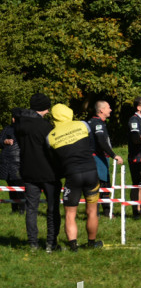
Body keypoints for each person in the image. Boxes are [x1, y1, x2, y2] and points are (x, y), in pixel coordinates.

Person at [48, 103, 103, 250]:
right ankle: (92, 243)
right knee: (92, 211)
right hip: (91, 171)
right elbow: (92, 146)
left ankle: (73, 246)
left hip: (72, 175)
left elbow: (54, 161)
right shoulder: (83, 125)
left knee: (70, 214)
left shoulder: (50, 137)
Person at [14, 93, 61, 251]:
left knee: (31, 209)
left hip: (28, 171)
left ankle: (32, 243)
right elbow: (53, 150)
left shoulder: (20, 126)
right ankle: (51, 243)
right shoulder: (46, 127)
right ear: (44, 108)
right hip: (48, 172)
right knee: (52, 209)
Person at [87, 100, 122, 209]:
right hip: (97, 158)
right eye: (108, 107)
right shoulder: (97, 123)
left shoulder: (93, 122)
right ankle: (104, 212)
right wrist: (114, 155)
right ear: (102, 110)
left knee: (98, 185)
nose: (111, 110)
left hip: (95, 158)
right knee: (103, 185)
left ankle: (98, 212)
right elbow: (101, 141)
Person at [1, 110, 24, 214]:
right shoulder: (7, 128)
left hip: (18, 161)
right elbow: (0, 139)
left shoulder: (24, 129)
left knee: (19, 186)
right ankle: (14, 209)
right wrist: (4, 141)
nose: (12, 119)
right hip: (6, 161)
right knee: (10, 186)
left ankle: (22, 209)